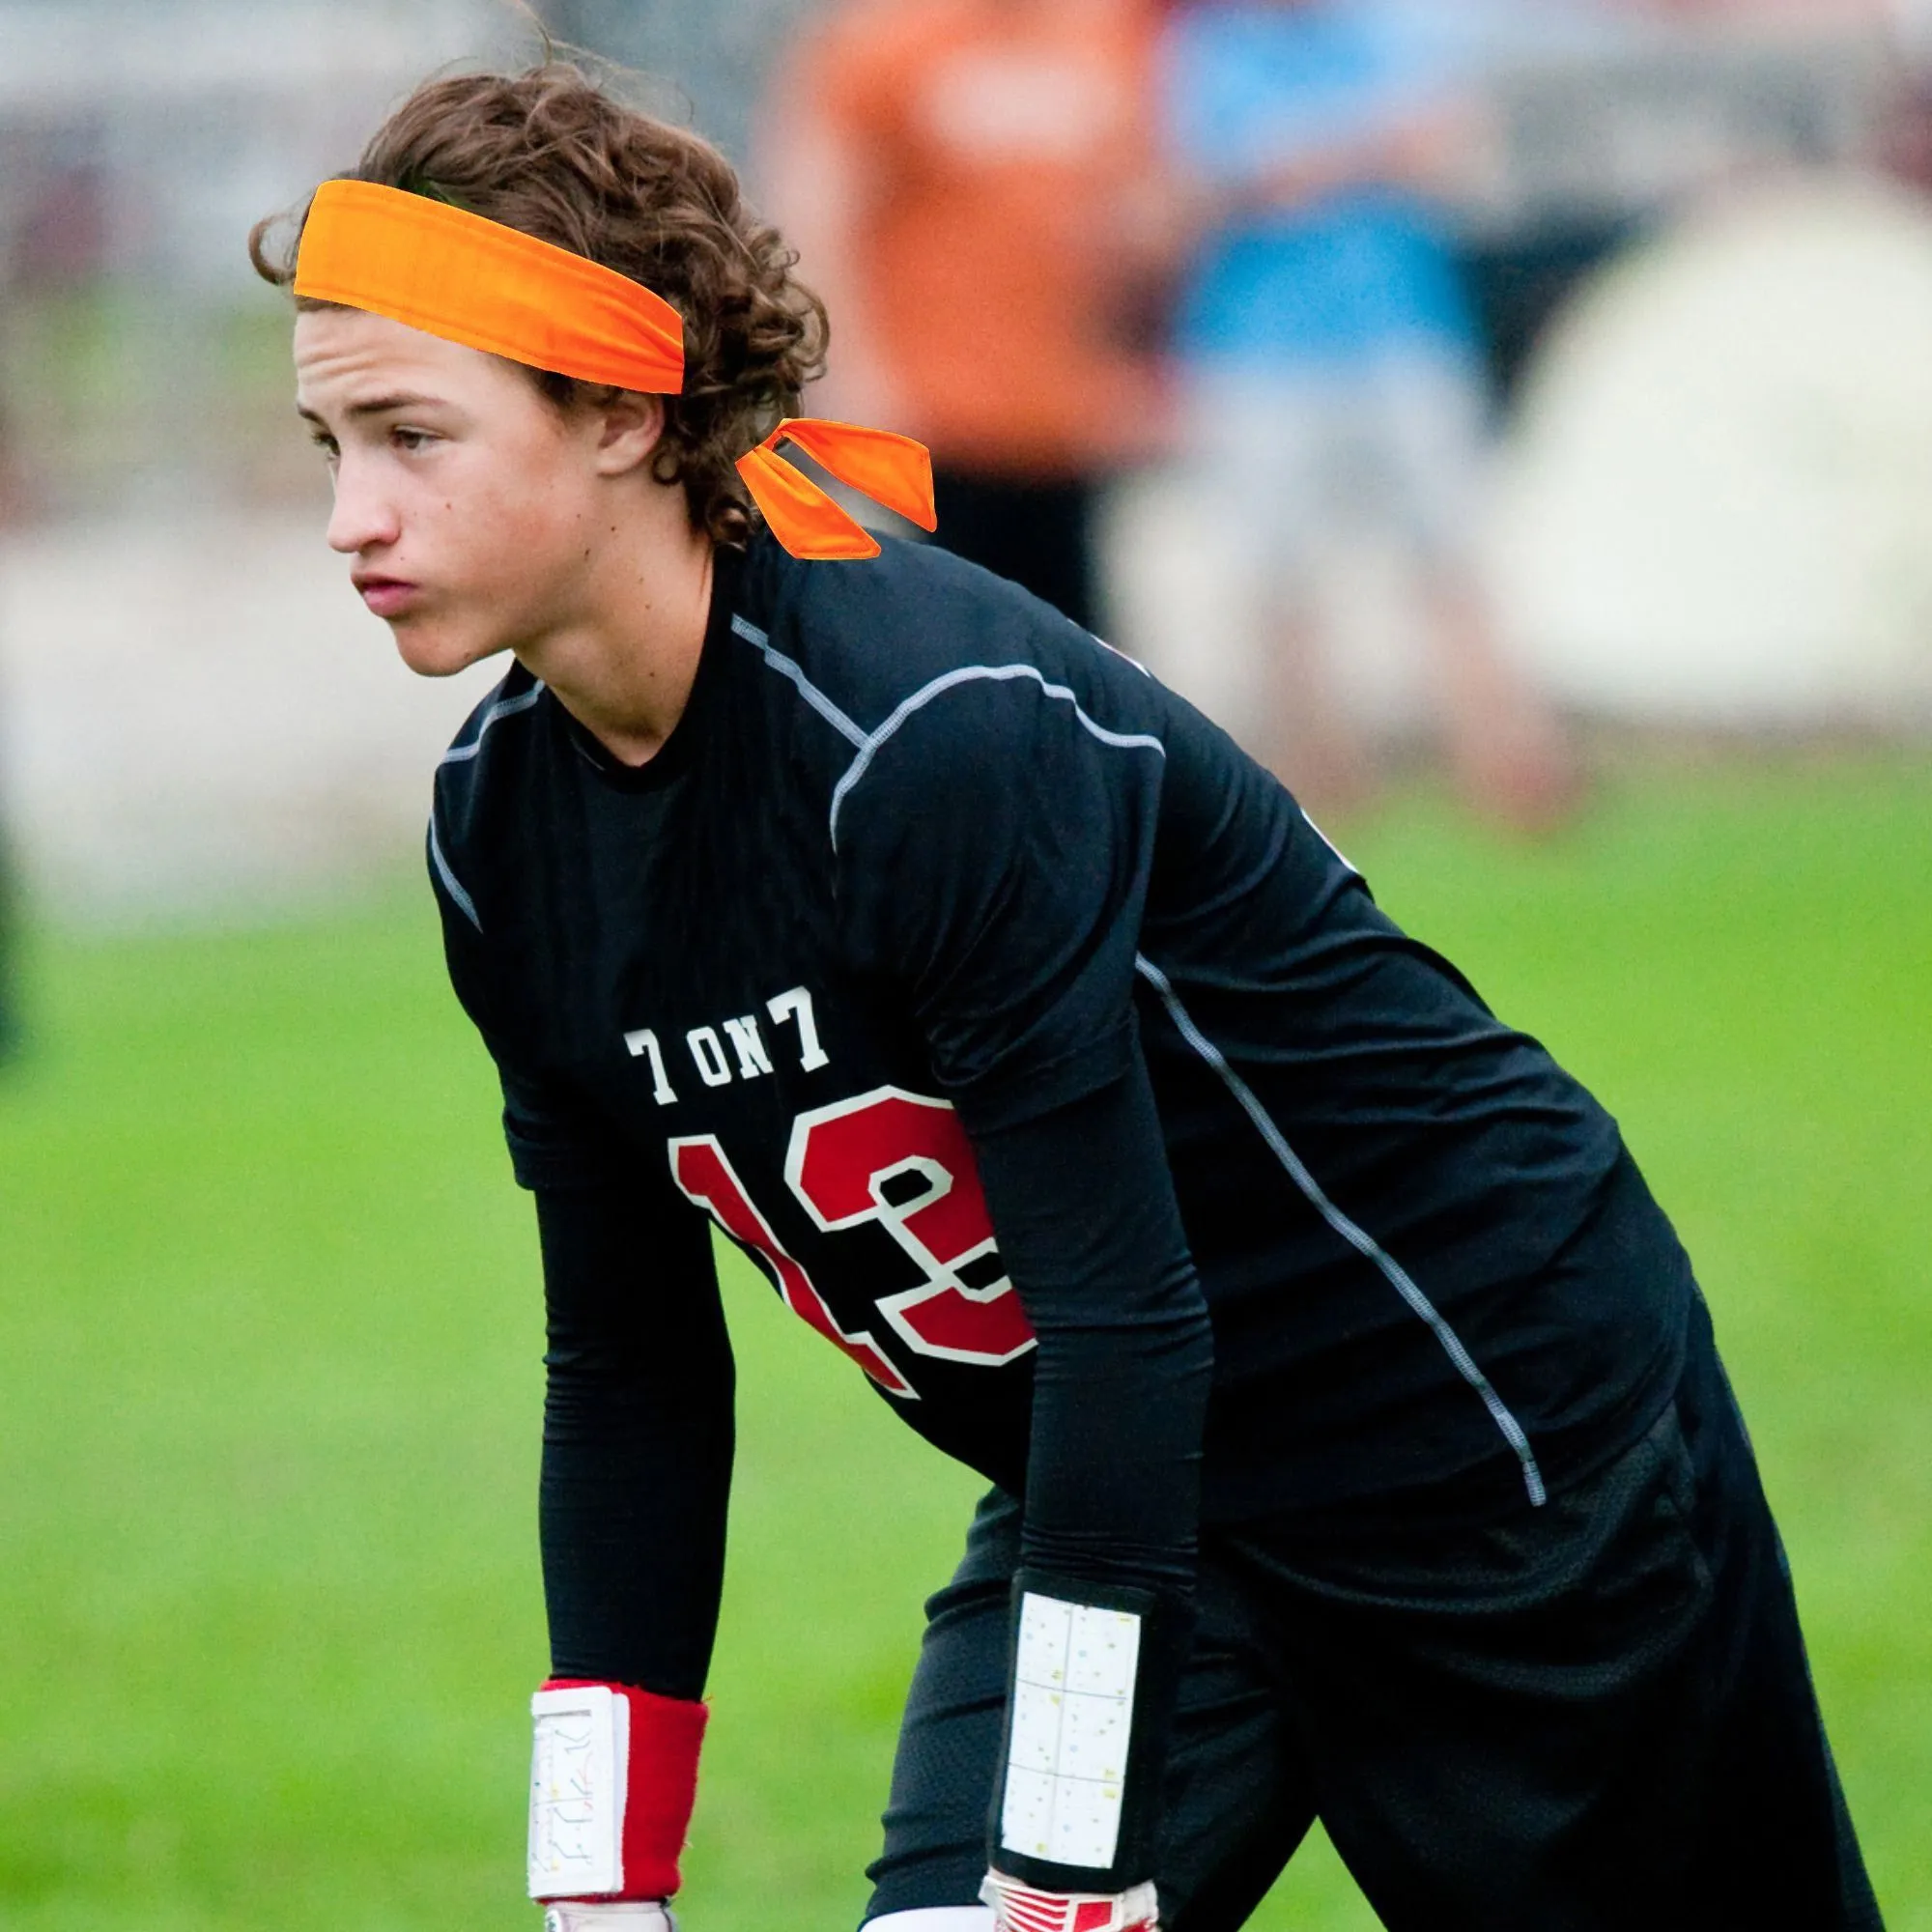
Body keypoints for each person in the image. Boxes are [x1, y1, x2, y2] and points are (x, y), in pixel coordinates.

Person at [254, 63, 1881, 1932]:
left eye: (411, 435)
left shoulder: (924, 735)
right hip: (1123, 1497)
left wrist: (1055, 1875)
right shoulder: (497, 825)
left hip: (1477, 1442)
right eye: (332, 451)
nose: (350, 518)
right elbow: (627, 1370)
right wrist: (596, 1890)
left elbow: (1123, 1316)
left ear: (623, 409)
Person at [1154, 0, 1576, 827]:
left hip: (1406, 332)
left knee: (1453, 557)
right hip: (1258, 348)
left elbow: (1448, 154)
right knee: (1277, 577)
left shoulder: (1396, 34)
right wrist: (1365, 150)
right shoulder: (1208, 52)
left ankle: (1509, 767)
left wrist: (1301, 165)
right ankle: (1315, 778)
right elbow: (1203, 190)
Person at [757, 0, 1171, 632]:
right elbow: (818, 213)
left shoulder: (1100, 36)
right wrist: (850, 370)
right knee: (949, 647)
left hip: (1064, 427)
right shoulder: (890, 41)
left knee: (1075, 659)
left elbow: (1142, 207)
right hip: (937, 423)